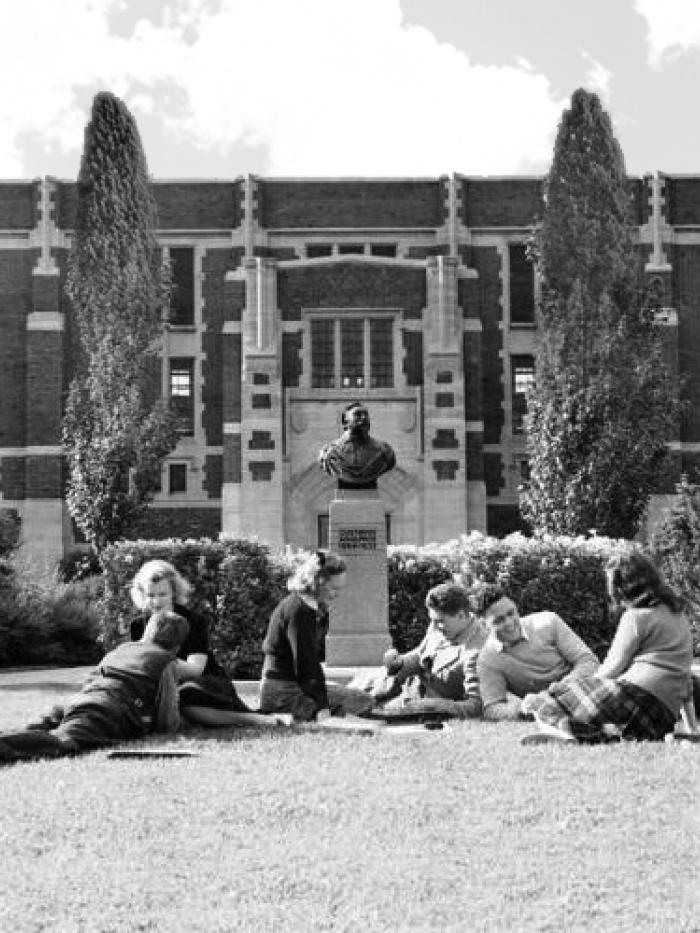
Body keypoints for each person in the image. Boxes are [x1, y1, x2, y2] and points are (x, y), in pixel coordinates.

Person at [522, 552, 698, 744]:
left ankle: (563, 732)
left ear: (622, 587)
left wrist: (573, 688)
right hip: (660, 719)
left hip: (635, 696)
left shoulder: (636, 617)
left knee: (549, 698)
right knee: (610, 728)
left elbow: (611, 669)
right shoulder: (678, 616)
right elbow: (685, 680)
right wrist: (691, 728)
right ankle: (580, 734)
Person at [0, 610, 188, 764]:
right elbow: (166, 716)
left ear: (147, 633)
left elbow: (93, 680)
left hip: (81, 699)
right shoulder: (166, 662)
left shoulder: (121, 650)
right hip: (109, 710)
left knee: (43, 727)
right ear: (177, 647)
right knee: (66, 741)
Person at [129, 559, 289, 728]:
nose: (156, 602)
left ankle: (254, 720)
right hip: (166, 687)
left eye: (162, 594)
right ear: (142, 595)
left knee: (183, 697)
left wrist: (158, 660)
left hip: (205, 684)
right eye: (151, 595)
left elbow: (195, 669)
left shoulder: (194, 621)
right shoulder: (138, 625)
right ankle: (199, 719)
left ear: (174, 593)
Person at [258, 550, 375, 722]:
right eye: (334, 588)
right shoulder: (299, 611)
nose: (337, 594)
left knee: (354, 695)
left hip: (284, 686)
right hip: (282, 692)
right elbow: (306, 664)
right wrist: (321, 706)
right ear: (318, 582)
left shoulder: (300, 604)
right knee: (362, 700)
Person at [356, 582, 488, 719]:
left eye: (440, 621)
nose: (435, 627)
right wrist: (400, 663)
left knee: (355, 707)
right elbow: (422, 654)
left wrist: (435, 706)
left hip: (418, 706)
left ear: (461, 615)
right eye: (433, 621)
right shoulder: (440, 625)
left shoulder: (479, 652)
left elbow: (476, 706)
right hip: (399, 688)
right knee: (350, 694)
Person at [476, 585, 600, 721]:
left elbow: (588, 660)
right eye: (499, 620)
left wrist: (565, 686)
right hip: (545, 710)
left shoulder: (548, 622)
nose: (510, 623)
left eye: (511, 613)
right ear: (483, 625)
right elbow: (492, 708)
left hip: (584, 691)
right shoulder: (488, 660)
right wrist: (522, 709)